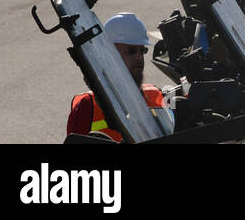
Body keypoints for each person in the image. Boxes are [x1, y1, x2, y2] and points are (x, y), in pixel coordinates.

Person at [66, 13, 174, 141]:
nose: (139, 57)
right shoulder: (87, 106)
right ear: (111, 53)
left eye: (142, 50)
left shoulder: (156, 95)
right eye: (132, 51)